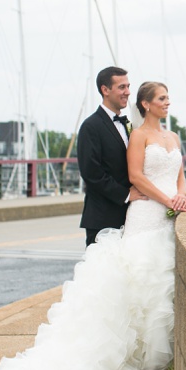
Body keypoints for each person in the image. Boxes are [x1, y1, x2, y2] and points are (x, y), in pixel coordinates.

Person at [0, 81, 186, 370]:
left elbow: (180, 175)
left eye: (168, 97)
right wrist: (167, 200)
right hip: (146, 212)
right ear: (146, 104)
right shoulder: (137, 135)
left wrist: (181, 197)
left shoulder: (173, 136)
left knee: (164, 280)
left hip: (170, 213)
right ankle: (138, 351)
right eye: (162, 98)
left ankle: (163, 346)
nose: (168, 102)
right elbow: (134, 176)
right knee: (142, 277)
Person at [77, 66, 147, 246]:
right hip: (103, 217)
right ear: (105, 90)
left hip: (131, 216)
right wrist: (125, 194)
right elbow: (91, 173)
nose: (128, 92)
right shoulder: (90, 126)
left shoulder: (128, 125)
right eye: (122, 87)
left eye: (128, 86)